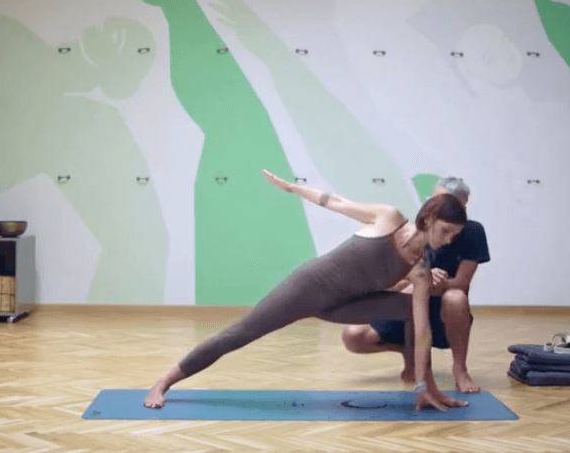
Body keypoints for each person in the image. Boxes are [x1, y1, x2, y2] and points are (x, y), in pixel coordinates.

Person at [143, 169, 469, 412]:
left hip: (345, 305)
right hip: (309, 288)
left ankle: (420, 383)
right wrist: (292, 187)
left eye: (454, 236)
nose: (448, 240)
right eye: (446, 231)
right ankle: (164, 381)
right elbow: (336, 202)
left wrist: (427, 385)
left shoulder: (421, 270)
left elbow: (422, 331)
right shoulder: (389, 218)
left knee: (411, 309)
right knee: (238, 334)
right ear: (429, 217)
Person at [342, 178, 490, 393]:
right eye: (435, 200)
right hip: (408, 307)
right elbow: (387, 285)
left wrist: (429, 284)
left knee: (455, 297)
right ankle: (409, 354)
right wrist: (421, 280)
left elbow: (461, 283)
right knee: (353, 336)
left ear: (463, 206)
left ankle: (460, 369)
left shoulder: (472, 231)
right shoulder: (411, 232)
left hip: (442, 314)